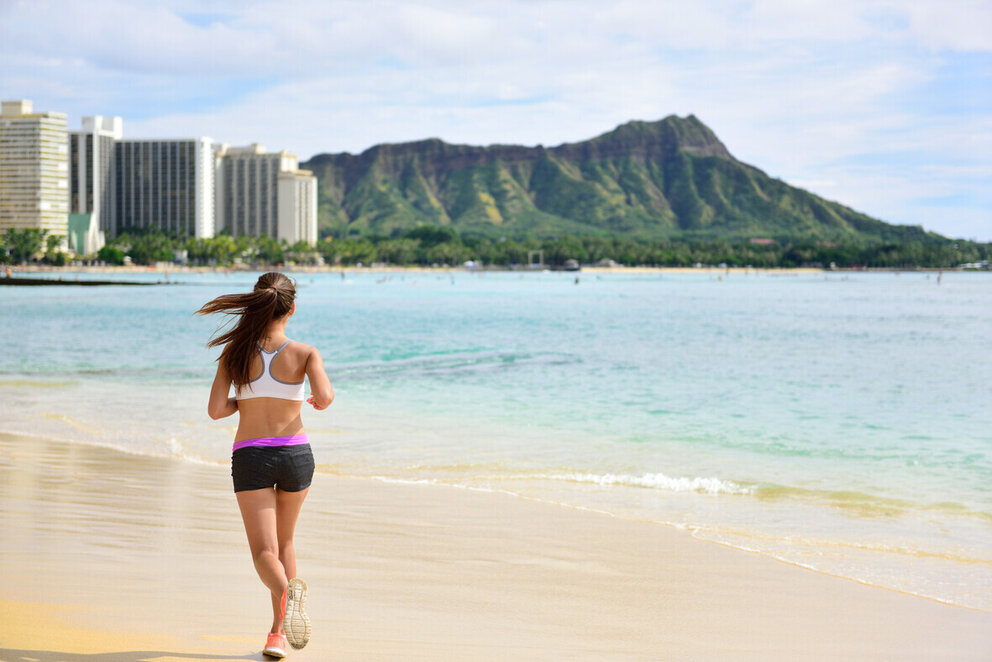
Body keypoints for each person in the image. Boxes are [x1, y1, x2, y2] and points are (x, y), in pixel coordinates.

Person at [197, 272, 334, 657]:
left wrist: (247, 402)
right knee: (285, 543)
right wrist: (314, 401)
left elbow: (215, 410)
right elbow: (324, 397)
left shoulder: (235, 353)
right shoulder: (306, 353)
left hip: (252, 457)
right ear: (291, 308)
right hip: (296, 455)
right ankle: (276, 635)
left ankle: (289, 597)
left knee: (263, 553)